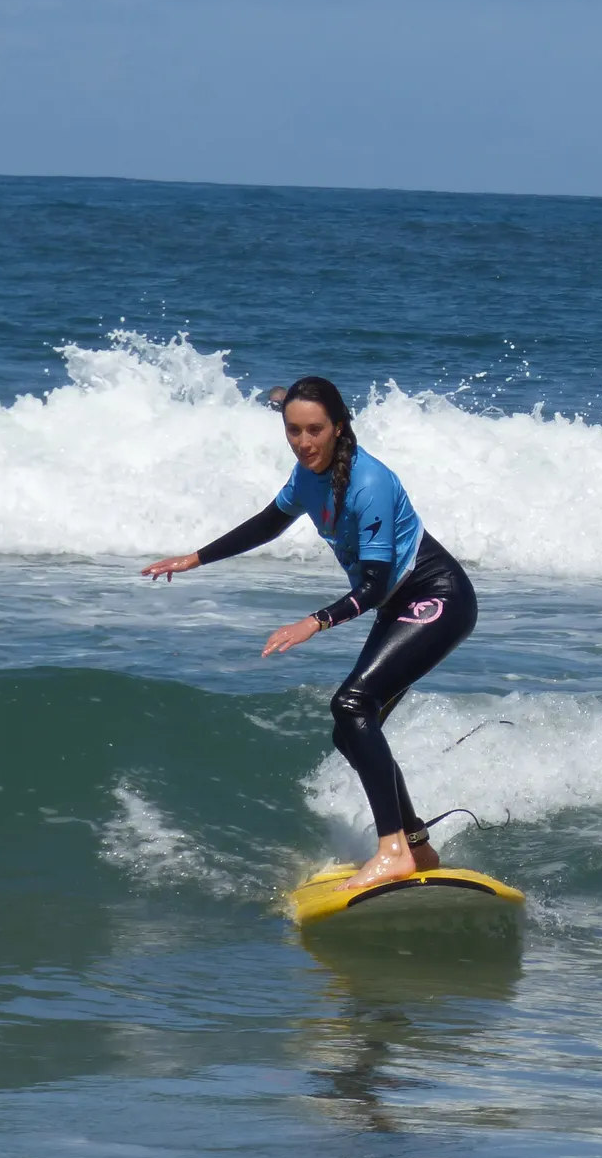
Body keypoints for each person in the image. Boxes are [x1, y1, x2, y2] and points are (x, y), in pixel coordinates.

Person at [142, 376, 478, 891]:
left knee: (351, 706)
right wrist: (196, 557)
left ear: (339, 427)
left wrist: (314, 622)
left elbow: (371, 586)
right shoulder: (307, 474)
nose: (303, 442)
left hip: (437, 598)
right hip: (400, 603)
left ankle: (393, 851)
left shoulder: (370, 485)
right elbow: (270, 522)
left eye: (314, 430)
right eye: (293, 431)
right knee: (352, 728)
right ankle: (416, 846)